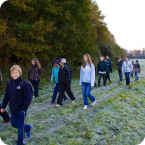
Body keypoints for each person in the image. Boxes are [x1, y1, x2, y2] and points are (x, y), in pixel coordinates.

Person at [1, 65, 32, 145]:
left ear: (19, 73)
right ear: (10, 74)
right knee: (14, 124)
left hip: (21, 109)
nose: (14, 74)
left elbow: (28, 97)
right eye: (12, 73)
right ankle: (28, 128)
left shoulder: (24, 84)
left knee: (20, 126)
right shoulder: (9, 83)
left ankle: (20, 142)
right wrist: (3, 107)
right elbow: (6, 96)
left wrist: (24, 109)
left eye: (16, 72)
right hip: (13, 108)